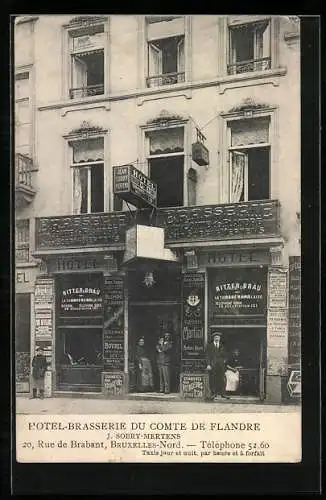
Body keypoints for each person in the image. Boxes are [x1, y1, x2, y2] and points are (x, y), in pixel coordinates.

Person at [206, 332, 229, 400]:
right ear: (213, 338)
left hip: (221, 366)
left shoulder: (222, 345)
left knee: (222, 379)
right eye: (216, 337)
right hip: (213, 365)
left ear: (219, 338)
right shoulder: (210, 346)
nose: (217, 338)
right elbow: (207, 356)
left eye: (218, 337)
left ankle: (223, 394)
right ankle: (213, 394)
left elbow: (226, 355)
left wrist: (224, 361)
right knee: (213, 380)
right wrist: (208, 364)